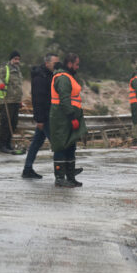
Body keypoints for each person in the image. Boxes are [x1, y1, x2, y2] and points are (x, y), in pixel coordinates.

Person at [50, 53, 87, 188]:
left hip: (68, 118)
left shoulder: (69, 77)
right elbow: (65, 99)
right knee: (61, 146)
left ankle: (70, 177)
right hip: (62, 119)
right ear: (70, 64)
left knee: (71, 146)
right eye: (76, 64)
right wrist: (72, 117)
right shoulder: (63, 78)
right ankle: (60, 178)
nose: (78, 67)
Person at [22, 53, 59, 178]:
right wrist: (40, 119)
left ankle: (27, 169)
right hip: (45, 116)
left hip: (48, 115)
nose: (57, 65)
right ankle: (61, 170)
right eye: (55, 63)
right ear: (47, 63)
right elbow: (38, 100)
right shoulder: (40, 77)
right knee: (57, 143)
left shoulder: (50, 75)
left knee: (36, 142)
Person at [0, 50, 23, 154]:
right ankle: (2, 145)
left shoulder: (18, 70)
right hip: (6, 100)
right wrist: (0, 83)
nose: (17, 61)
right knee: (6, 123)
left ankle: (8, 143)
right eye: (15, 59)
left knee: (13, 123)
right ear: (11, 59)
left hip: (15, 101)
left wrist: (20, 100)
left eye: (18, 59)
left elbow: (18, 86)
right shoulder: (4, 68)